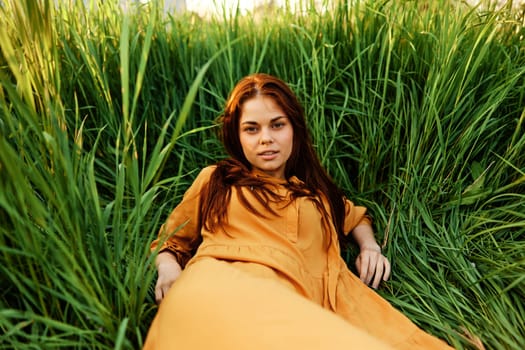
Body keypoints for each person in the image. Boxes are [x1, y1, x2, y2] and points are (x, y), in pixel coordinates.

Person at [143, 73, 453, 349]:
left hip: (289, 303)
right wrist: (169, 268)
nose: (266, 138)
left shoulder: (315, 195)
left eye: (277, 125)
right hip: (216, 285)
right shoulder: (216, 180)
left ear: (294, 128)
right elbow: (170, 242)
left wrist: (369, 246)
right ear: (237, 136)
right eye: (252, 129)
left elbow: (355, 216)